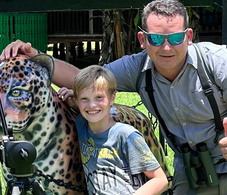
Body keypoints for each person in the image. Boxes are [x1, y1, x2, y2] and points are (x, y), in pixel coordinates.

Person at [1, 0, 227, 195]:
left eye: (175, 38)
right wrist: (35, 56)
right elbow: (84, 80)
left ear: (189, 36)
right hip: (193, 174)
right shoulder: (137, 67)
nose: (166, 47)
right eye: (156, 39)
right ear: (143, 39)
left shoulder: (220, 62)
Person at [57, 65, 168, 195]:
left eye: (99, 97)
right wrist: (73, 98)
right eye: (84, 99)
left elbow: (160, 180)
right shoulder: (82, 125)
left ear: (112, 98)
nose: (92, 105)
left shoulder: (126, 136)